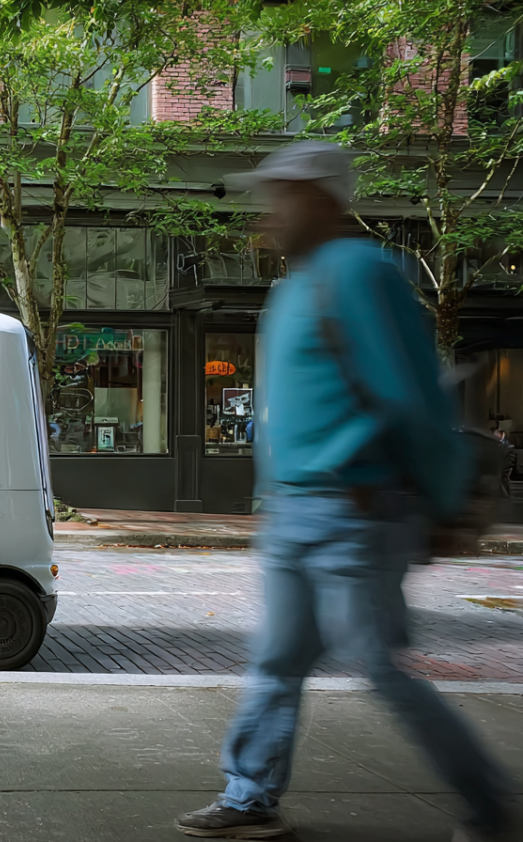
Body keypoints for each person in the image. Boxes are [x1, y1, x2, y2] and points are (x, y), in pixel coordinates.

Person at [175, 141, 516, 842]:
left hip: (354, 510)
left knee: (382, 671)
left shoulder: (364, 272)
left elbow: (413, 400)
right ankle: (249, 795)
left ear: (323, 198)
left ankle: (490, 807)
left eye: (283, 196)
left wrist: (446, 505)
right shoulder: (295, 286)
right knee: (278, 658)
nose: (268, 213)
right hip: (299, 510)